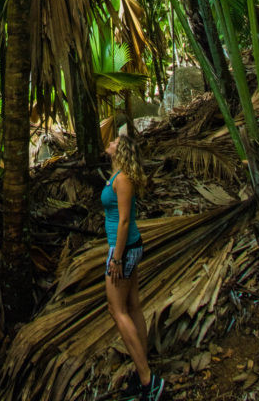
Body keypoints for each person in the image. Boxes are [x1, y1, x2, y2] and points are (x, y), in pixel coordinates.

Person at [102, 134, 164, 401]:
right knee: (133, 305)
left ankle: (148, 378)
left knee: (117, 310)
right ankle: (144, 369)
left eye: (115, 140)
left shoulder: (123, 179)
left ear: (121, 150)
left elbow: (125, 221)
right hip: (128, 248)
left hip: (123, 250)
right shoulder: (117, 175)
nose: (111, 142)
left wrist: (116, 258)